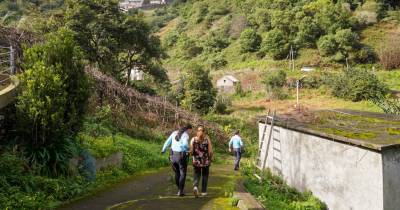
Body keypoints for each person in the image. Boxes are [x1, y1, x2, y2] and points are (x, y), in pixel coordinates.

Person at [161, 124, 193, 196]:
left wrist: (163, 150)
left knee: (177, 173)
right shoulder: (185, 135)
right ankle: (180, 191)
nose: (190, 132)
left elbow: (167, 142)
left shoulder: (174, 133)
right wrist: (187, 149)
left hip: (172, 156)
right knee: (182, 174)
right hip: (181, 156)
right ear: (188, 129)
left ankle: (179, 189)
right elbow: (184, 145)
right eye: (191, 131)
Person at [190, 126, 213, 198]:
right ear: (204, 131)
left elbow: (191, 151)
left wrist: (193, 157)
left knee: (197, 175)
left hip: (196, 161)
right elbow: (210, 150)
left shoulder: (193, 139)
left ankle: (195, 187)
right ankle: (203, 191)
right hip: (205, 161)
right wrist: (211, 158)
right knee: (205, 176)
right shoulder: (207, 139)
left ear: (197, 131)